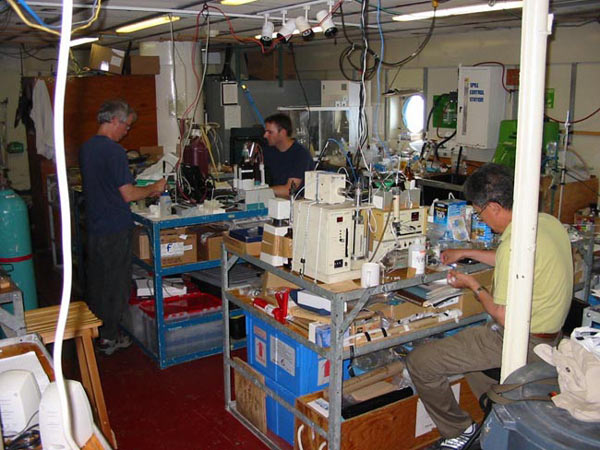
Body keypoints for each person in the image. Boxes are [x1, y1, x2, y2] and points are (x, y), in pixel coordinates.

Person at [406, 163, 573, 450]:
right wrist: (467, 252)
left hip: (521, 340)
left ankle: (459, 430)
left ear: (494, 207)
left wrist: (472, 285)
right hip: (551, 336)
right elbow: (517, 258)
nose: (481, 218)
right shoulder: (545, 222)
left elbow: (504, 316)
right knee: (468, 357)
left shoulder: (512, 245)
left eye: (480, 211)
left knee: (420, 362)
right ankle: (500, 416)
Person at [79, 99, 166, 355]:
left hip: (95, 225)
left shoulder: (87, 148)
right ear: (115, 121)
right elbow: (127, 194)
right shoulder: (114, 152)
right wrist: (154, 188)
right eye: (126, 126)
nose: (126, 131)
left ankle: (96, 331)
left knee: (98, 282)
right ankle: (109, 337)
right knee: (116, 284)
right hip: (114, 226)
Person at [262, 113, 314, 198]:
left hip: (296, 203)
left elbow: (289, 190)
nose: (265, 135)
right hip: (275, 200)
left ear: (282, 133)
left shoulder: (301, 154)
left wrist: (260, 191)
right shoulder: (269, 151)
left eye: (270, 132)